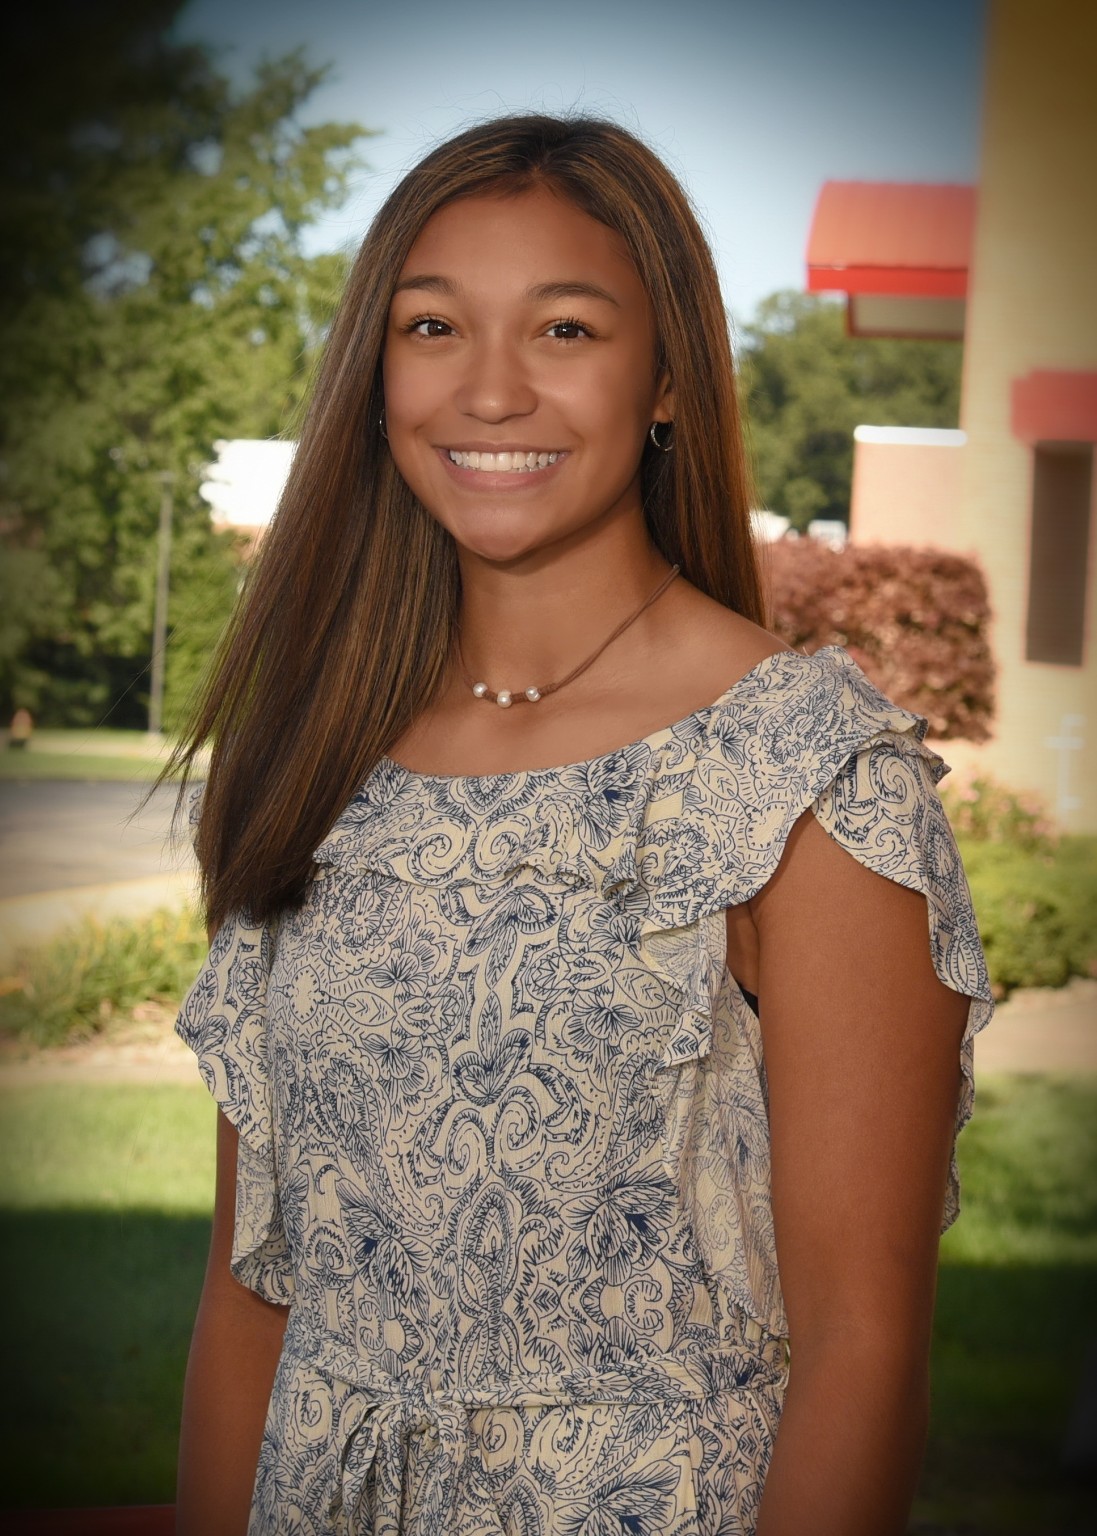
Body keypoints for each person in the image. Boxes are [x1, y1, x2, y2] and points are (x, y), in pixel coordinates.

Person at [171, 114, 993, 1536]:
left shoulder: (801, 776)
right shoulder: (313, 760)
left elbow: (865, 1357)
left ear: (664, 374)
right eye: (433, 327)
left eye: (562, 329)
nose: (489, 391)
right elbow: (252, 1293)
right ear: (376, 373)